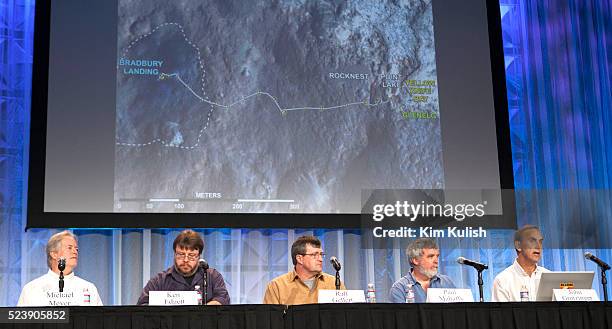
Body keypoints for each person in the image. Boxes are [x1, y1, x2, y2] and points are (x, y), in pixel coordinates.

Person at [137, 229, 229, 305]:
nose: (185, 260)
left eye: (191, 255)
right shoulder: (159, 280)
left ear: (199, 256)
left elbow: (222, 299)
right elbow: (142, 305)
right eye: (181, 254)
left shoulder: (212, 276)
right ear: (174, 254)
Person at [17, 231, 103, 306]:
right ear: (54, 254)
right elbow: (21, 323)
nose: (75, 252)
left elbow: (100, 321)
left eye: (76, 249)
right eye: (69, 248)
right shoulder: (32, 289)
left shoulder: (89, 288)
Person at [263, 235, 345, 304]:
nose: (320, 259)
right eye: (314, 255)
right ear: (299, 259)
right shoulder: (277, 286)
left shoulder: (334, 283)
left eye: (321, 254)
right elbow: (270, 320)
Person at [492, 225, 549, 302]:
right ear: (518, 245)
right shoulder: (503, 280)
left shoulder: (548, 276)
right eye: (532, 241)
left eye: (540, 242)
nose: (538, 246)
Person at [389, 238, 456, 303]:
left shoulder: (447, 282)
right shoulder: (399, 288)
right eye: (431, 256)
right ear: (415, 260)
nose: (436, 261)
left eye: (437, 256)